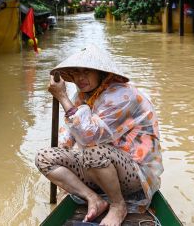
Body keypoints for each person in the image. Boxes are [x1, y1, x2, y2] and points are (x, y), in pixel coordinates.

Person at [35, 44, 163, 226]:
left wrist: (63, 98)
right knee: (44, 157)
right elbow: (69, 137)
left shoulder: (121, 95)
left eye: (87, 71)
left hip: (135, 171)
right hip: (99, 165)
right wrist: (65, 168)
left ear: (101, 73)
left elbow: (88, 137)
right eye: (76, 73)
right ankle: (94, 199)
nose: (80, 78)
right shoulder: (84, 94)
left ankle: (118, 205)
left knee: (92, 151)